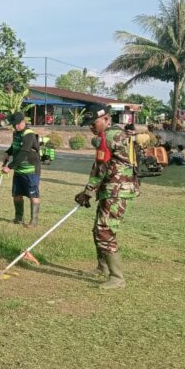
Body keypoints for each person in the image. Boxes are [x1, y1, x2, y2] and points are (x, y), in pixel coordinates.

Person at [74, 103, 140, 290]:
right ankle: (102, 268)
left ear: (105, 119)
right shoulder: (115, 134)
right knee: (98, 229)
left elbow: (100, 169)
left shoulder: (109, 137)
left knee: (104, 231)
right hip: (112, 189)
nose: (90, 127)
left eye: (92, 122)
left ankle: (117, 278)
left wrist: (87, 192)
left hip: (116, 191)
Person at [1, 112, 41, 228]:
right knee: (16, 194)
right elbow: (14, 146)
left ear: (23, 122)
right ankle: (18, 218)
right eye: (14, 125)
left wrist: (9, 167)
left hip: (31, 169)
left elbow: (24, 152)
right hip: (19, 169)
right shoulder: (16, 133)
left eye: (17, 124)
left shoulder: (29, 135)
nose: (16, 127)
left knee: (33, 195)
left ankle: (33, 221)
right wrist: (8, 152)